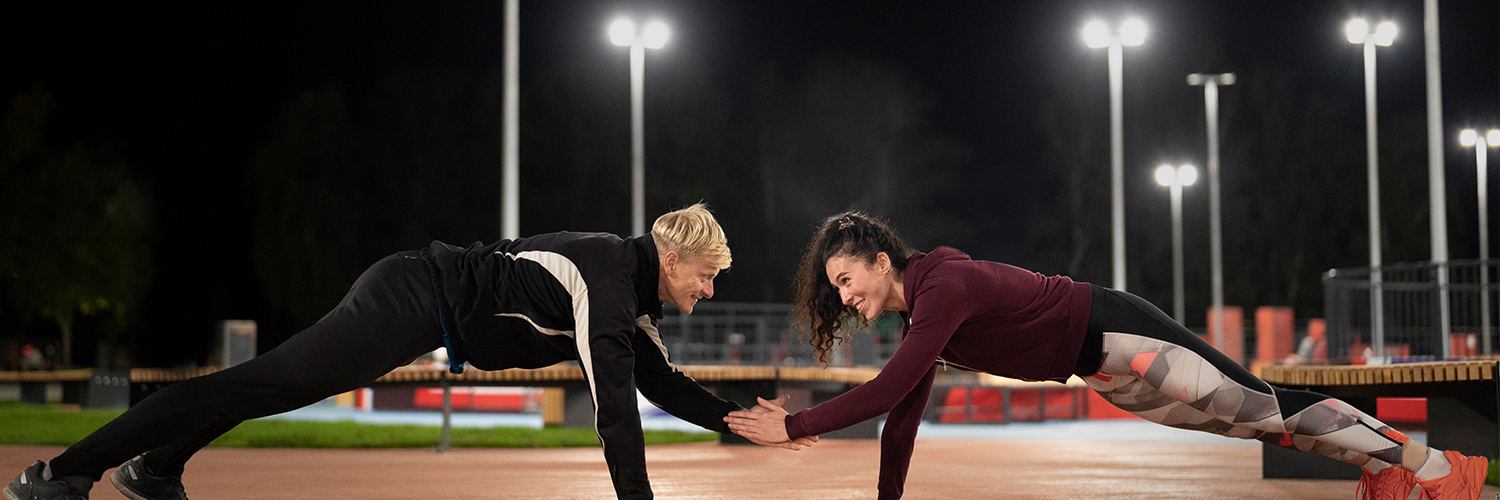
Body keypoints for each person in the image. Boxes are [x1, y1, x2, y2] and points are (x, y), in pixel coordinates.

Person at [6, 203, 813, 500]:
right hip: (410, 297)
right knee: (256, 384)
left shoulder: (628, 297)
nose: (709, 292)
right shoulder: (604, 273)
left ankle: (155, 469)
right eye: (707, 277)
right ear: (673, 258)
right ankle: (61, 473)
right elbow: (617, 408)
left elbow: (663, 383)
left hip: (420, 310)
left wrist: (740, 417)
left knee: (264, 390)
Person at [725, 211, 1488, 500]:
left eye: (846, 279)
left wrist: (793, 426)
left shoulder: (943, 283)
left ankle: (1433, 469)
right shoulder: (928, 312)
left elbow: (889, 390)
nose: (845, 295)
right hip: (1106, 371)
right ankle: (1386, 470)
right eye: (834, 288)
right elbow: (904, 418)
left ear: (880, 259)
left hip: (1120, 332)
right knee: (1257, 425)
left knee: (1267, 406)